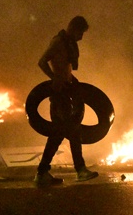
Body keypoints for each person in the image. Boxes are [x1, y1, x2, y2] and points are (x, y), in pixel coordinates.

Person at [34, 16, 99, 187]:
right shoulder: (58, 42)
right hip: (59, 95)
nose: (81, 37)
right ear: (72, 28)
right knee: (71, 132)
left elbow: (66, 69)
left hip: (66, 91)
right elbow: (42, 61)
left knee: (59, 135)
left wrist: (71, 81)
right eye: (80, 33)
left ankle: (42, 173)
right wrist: (54, 78)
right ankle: (80, 170)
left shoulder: (68, 43)